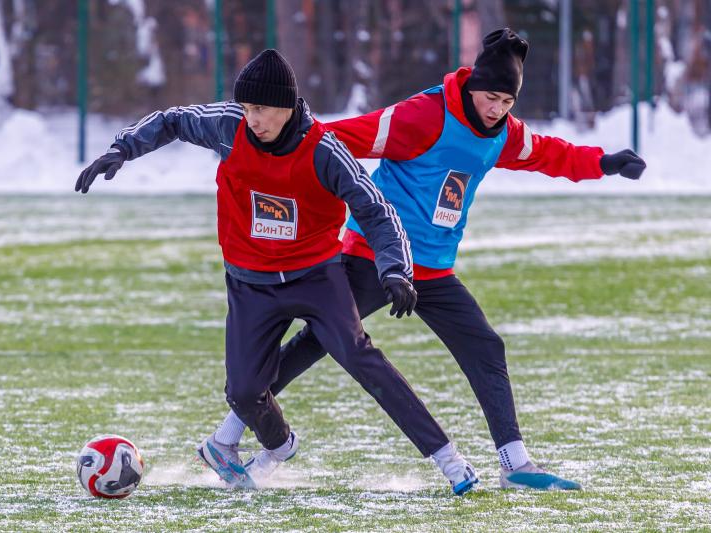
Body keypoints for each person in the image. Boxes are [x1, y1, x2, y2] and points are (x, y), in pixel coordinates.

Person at [210, 30, 646, 491]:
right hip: (372, 257)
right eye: (490, 97)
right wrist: (277, 145)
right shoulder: (424, 115)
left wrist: (604, 163)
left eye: (506, 101)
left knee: (485, 346)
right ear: (473, 85)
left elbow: (547, 154)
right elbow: (340, 139)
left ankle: (515, 465)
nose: (497, 108)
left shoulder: (503, 134)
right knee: (318, 341)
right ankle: (228, 435)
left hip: (434, 269)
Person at [75, 49, 481, 495]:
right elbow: (173, 119)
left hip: (317, 277)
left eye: (262, 109)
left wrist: (396, 269)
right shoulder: (229, 126)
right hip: (250, 285)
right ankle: (280, 445)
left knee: (361, 357)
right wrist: (121, 149)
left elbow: (376, 210)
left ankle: (450, 462)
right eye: (248, 108)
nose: (253, 119)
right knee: (244, 393)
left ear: (288, 107)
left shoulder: (324, 150)